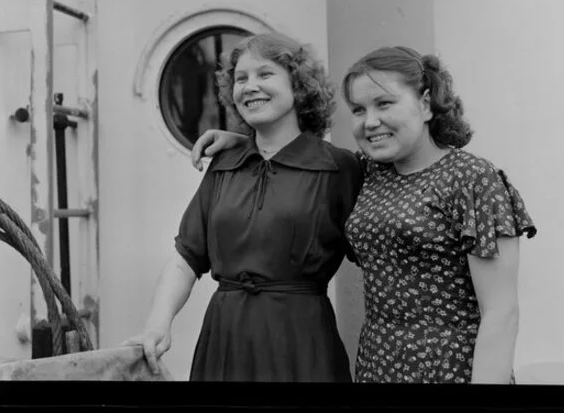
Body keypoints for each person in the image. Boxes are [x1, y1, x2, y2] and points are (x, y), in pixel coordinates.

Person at [191, 46, 537, 384]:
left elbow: (501, 313)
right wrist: (243, 142)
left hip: (451, 376)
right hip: (377, 369)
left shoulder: (473, 179)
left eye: (384, 104)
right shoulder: (369, 171)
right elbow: (299, 163)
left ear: (426, 104)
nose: (371, 122)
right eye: (358, 110)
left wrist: (487, 408)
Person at [126, 32, 363, 382]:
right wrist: (157, 325)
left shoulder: (339, 168)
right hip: (225, 336)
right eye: (241, 78)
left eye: (265, 74)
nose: (250, 86)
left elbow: (376, 252)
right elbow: (187, 257)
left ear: (299, 86)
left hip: (301, 339)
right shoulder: (223, 164)